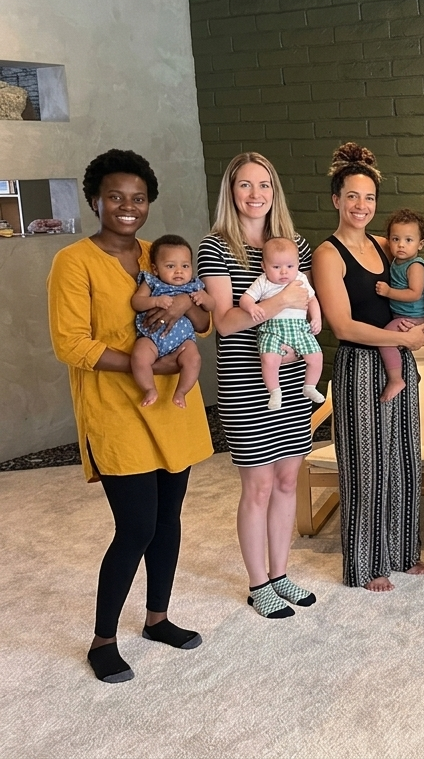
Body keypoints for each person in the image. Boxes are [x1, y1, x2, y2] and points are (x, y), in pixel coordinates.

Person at [49, 148, 213, 683]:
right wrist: (158, 367)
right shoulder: (73, 262)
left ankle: (158, 618)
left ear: (149, 203)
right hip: (116, 409)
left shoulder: (158, 254)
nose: (127, 206)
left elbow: (205, 321)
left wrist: (189, 313)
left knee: (168, 521)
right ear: (95, 199)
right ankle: (103, 639)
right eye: (115, 196)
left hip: (173, 409)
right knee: (136, 526)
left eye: (138, 198)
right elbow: (72, 344)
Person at [198, 152, 321, 618]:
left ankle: (281, 573)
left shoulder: (294, 246)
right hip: (246, 382)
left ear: (275, 192)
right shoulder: (216, 246)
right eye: (245, 185)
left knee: (289, 480)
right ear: (231, 192)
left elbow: (308, 311)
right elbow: (227, 324)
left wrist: (297, 336)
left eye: (264, 185)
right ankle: (257, 583)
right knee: (259, 487)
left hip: (291, 375)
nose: (255, 195)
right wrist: (280, 300)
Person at [311, 142, 424, 591]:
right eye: (353, 197)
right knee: (366, 466)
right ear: (337, 200)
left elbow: (415, 267)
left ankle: (402, 552)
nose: (362, 206)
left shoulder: (383, 244)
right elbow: (343, 325)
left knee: (402, 459)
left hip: (398, 363)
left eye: (370, 198)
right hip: (360, 368)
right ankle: (367, 564)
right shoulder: (328, 254)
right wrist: (403, 337)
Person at [239, 237, 326, 410]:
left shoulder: (300, 279)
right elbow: (245, 298)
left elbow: (312, 300)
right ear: (264, 266)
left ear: (298, 264)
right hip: (272, 330)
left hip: (300, 329)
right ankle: (274, 391)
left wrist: (316, 318)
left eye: (290, 266)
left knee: (316, 357)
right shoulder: (263, 281)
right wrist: (251, 307)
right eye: (276, 267)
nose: (284, 272)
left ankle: (309, 386)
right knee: (269, 359)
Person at [129, 234, 211, 408]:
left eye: (185, 266)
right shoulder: (152, 282)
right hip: (151, 336)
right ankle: (149, 388)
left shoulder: (194, 286)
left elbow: (212, 306)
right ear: (156, 269)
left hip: (183, 341)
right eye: (170, 266)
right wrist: (155, 301)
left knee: (194, 359)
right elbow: (136, 302)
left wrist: (203, 298)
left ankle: (181, 391)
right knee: (139, 356)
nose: (179, 271)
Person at [374, 208, 424, 402]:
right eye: (395, 239)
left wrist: (389, 292)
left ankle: (396, 379)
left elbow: (414, 294)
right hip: (402, 316)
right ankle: (412, 375)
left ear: (420, 244)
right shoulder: (396, 261)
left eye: (408, 240)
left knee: (385, 340)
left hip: (413, 318)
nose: (401, 245)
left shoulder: (415, 265)